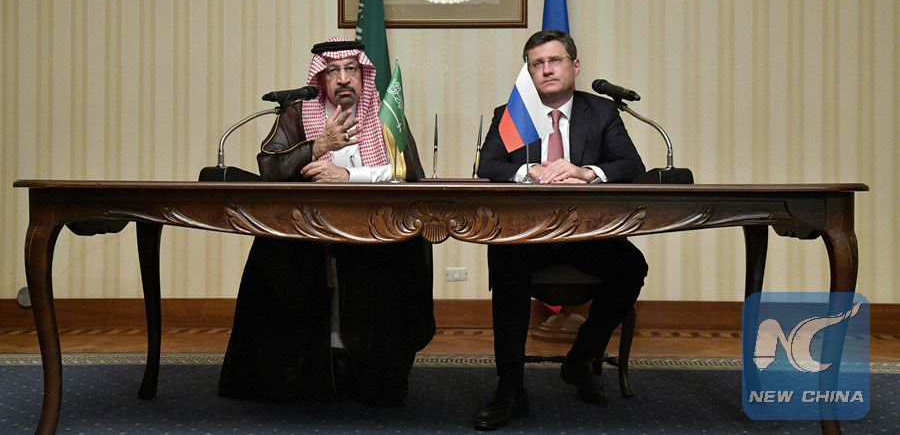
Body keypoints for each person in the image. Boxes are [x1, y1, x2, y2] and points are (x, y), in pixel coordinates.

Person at [218, 37, 435, 408]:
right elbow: (269, 168)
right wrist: (317, 147)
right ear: (321, 78)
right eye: (333, 71)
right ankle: (303, 376)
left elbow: (411, 174)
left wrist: (350, 177)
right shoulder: (298, 114)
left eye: (351, 69)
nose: (343, 78)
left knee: (398, 258)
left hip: (374, 233)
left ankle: (371, 376)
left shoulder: (385, 114)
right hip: (308, 232)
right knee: (274, 257)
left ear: (363, 75)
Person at [474, 30, 648, 430]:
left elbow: (631, 166)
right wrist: (530, 170)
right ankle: (510, 386)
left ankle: (581, 357)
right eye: (537, 63)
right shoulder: (512, 113)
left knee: (631, 267)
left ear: (575, 66)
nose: (547, 69)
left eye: (555, 60)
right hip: (527, 234)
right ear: (529, 72)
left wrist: (586, 172)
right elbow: (488, 166)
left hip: (587, 233)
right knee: (506, 263)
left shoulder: (601, 112)